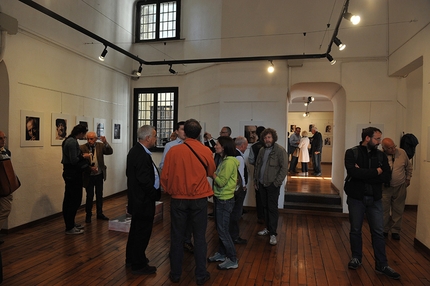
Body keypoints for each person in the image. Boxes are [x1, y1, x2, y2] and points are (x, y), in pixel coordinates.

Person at [161, 119, 215, 285]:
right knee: (199, 238)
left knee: (176, 237)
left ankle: (175, 274)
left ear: (184, 132)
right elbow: (211, 171)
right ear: (198, 133)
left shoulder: (173, 151)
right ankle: (200, 275)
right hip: (199, 199)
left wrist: (171, 190)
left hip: (178, 199)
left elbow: (165, 176)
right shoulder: (204, 150)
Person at [344, 127, 400, 280]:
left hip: (374, 198)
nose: (379, 142)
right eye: (377, 139)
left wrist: (364, 173)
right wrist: (377, 172)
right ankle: (356, 258)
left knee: (378, 232)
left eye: (380, 139)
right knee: (355, 229)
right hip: (356, 198)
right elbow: (353, 173)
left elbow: (386, 177)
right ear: (367, 138)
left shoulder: (381, 156)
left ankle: (382, 264)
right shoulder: (352, 153)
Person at [125, 125, 161, 275]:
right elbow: (144, 180)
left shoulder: (136, 151)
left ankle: (132, 258)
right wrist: (154, 194)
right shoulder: (140, 154)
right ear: (147, 138)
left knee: (136, 231)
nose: (155, 139)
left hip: (138, 200)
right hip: (143, 201)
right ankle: (138, 265)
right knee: (142, 233)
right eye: (154, 136)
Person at [159, 121, 194, 253]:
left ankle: (187, 241)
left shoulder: (194, 145)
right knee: (177, 220)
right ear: (176, 131)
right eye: (182, 129)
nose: (184, 132)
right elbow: (163, 165)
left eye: (186, 130)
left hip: (191, 188)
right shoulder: (170, 146)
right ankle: (176, 245)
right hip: (177, 187)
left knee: (190, 218)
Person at [208, 136, 240, 270]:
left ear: (224, 147)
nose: (215, 146)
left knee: (223, 230)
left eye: (217, 144)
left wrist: (211, 174)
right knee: (220, 228)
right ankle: (222, 253)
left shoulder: (228, 162)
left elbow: (221, 182)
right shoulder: (224, 160)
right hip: (221, 198)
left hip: (224, 200)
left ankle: (232, 258)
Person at [254, 128, 288, 246]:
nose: (266, 139)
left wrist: (276, 183)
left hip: (272, 185)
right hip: (261, 184)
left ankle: (273, 233)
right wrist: (256, 181)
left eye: (269, 137)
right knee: (264, 207)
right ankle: (268, 228)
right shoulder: (262, 150)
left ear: (273, 138)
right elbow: (257, 166)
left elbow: (284, 169)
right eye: (265, 138)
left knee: (272, 208)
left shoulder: (280, 150)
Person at [381, 137, 413, 240]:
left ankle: (395, 231)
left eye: (394, 146)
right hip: (385, 187)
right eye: (390, 148)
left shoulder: (402, 152)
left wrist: (408, 179)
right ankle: (384, 230)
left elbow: (409, 167)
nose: (393, 149)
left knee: (398, 209)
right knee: (384, 210)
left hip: (400, 186)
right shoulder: (380, 155)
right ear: (384, 148)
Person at [61, 124, 90, 235]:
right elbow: (74, 160)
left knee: (68, 199)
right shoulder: (72, 142)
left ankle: (70, 223)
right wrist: (84, 156)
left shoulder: (68, 140)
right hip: (73, 174)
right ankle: (69, 227)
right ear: (81, 133)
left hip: (68, 173)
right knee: (74, 200)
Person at [80, 131, 113, 223]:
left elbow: (110, 151)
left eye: (91, 139)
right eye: (88, 139)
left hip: (99, 174)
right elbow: (80, 160)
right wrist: (90, 168)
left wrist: (105, 142)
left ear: (95, 139)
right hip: (89, 176)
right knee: (89, 196)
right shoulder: (82, 147)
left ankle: (100, 213)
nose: (89, 141)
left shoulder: (100, 146)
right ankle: (88, 215)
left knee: (99, 194)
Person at [230, 136, 248, 244]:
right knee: (236, 213)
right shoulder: (239, 157)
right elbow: (240, 174)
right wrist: (244, 186)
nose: (246, 147)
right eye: (245, 145)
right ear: (242, 146)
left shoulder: (231, 153)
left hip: (232, 189)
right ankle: (234, 236)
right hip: (238, 189)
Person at [248, 126, 265, 224]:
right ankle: (268, 216)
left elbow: (251, 160)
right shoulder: (270, 145)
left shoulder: (254, 146)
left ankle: (260, 216)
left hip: (258, 173)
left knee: (258, 196)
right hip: (268, 174)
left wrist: (257, 165)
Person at [0, 131, 12, 244]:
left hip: (4, 187)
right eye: (0, 138)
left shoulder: (7, 152)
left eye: (4, 138)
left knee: (5, 209)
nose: (3, 140)